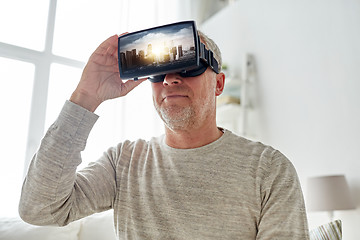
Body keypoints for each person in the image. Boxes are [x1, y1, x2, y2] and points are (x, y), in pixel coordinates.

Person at [19, 29, 309, 239]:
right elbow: (40, 209)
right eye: (159, 72)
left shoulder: (270, 170)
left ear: (219, 84)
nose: (171, 78)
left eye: (189, 66)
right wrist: (85, 96)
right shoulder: (124, 162)